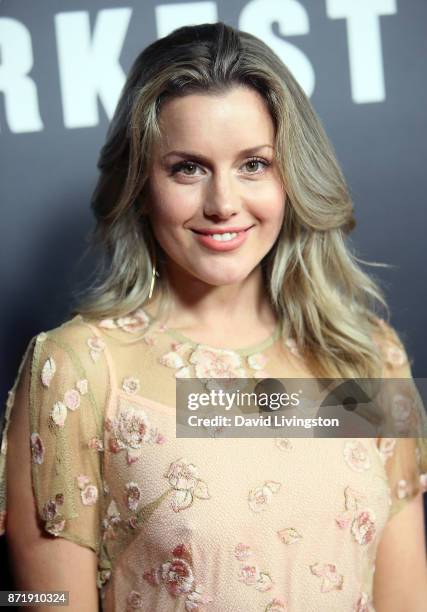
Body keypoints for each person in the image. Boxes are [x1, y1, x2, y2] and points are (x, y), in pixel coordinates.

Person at [1, 21, 426, 612]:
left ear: (291, 177)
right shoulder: (77, 369)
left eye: (254, 164)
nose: (224, 203)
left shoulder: (367, 356)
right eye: (188, 168)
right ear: (141, 186)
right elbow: (34, 596)